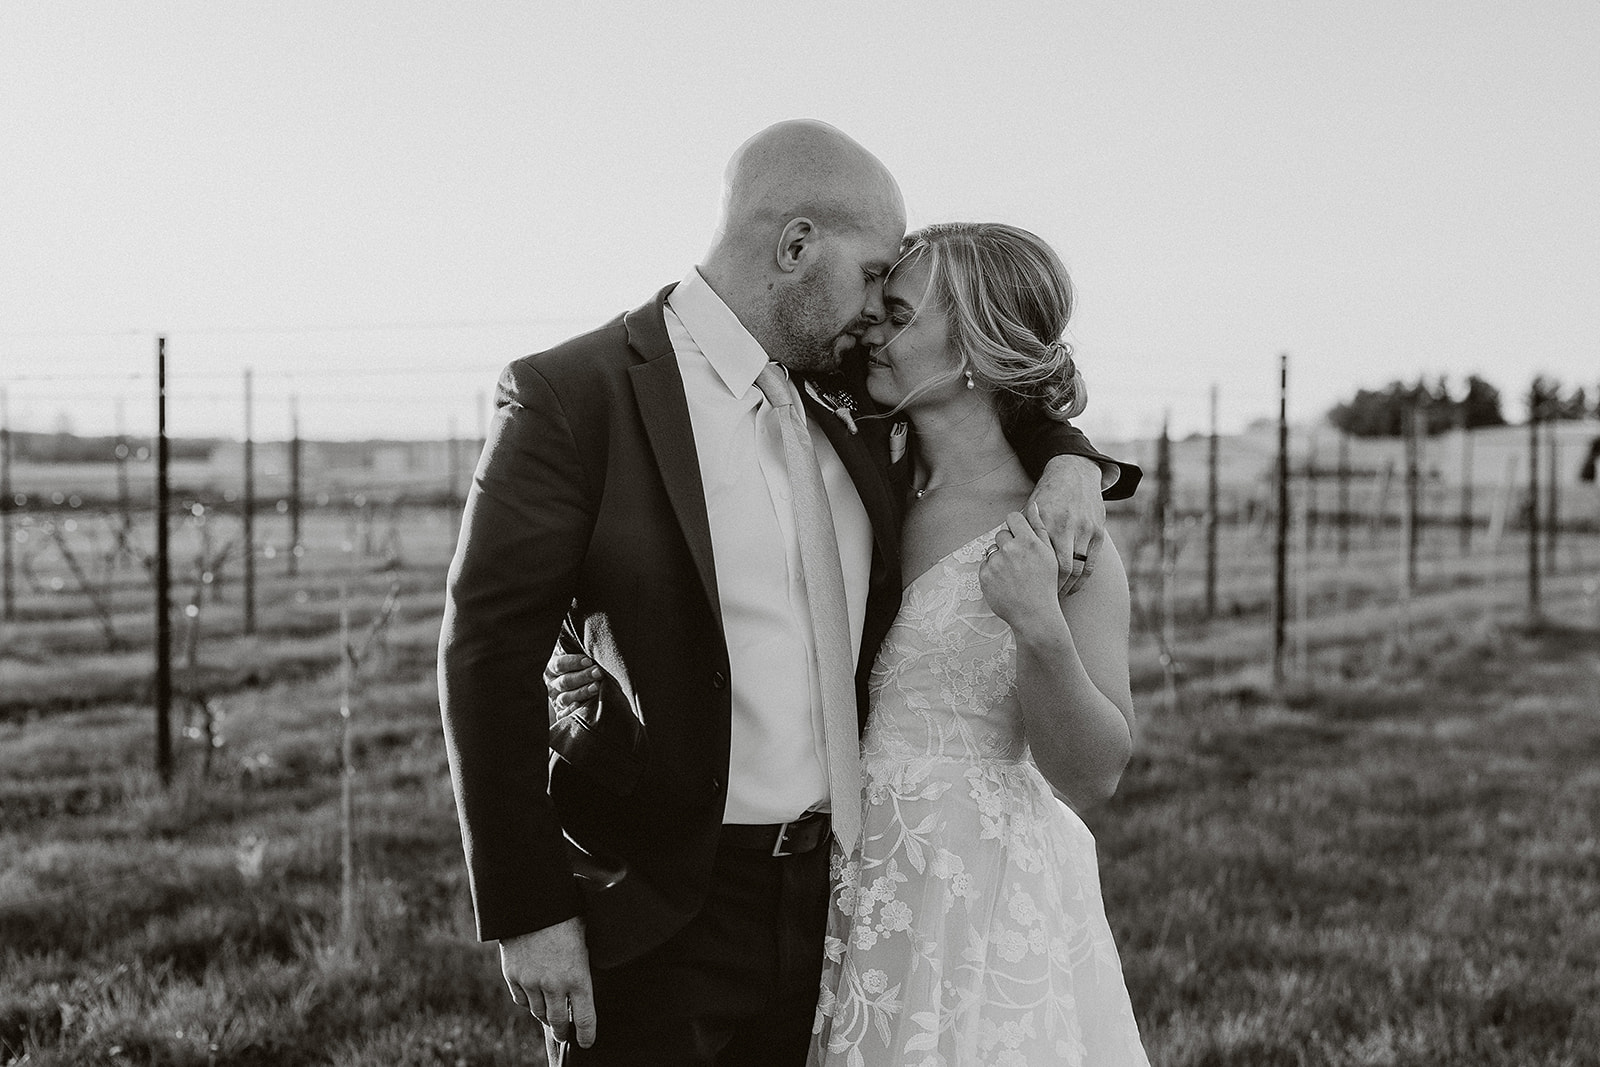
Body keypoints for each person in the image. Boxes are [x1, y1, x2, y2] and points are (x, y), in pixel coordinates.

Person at [438, 120, 1140, 1067]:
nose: (875, 315)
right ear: (797, 245)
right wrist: (531, 910)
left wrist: (1072, 464)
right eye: (871, 280)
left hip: (839, 907)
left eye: (895, 303)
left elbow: (990, 390)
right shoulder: (576, 397)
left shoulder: (850, 389)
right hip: (660, 905)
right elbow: (486, 656)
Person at [811, 222, 1149, 1064]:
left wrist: (1039, 628)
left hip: (977, 887)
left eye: (897, 313)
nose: (871, 331)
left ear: (975, 345)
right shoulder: (863, 473)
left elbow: (1095, 769)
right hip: (843, 873)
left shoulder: (1059, 533)